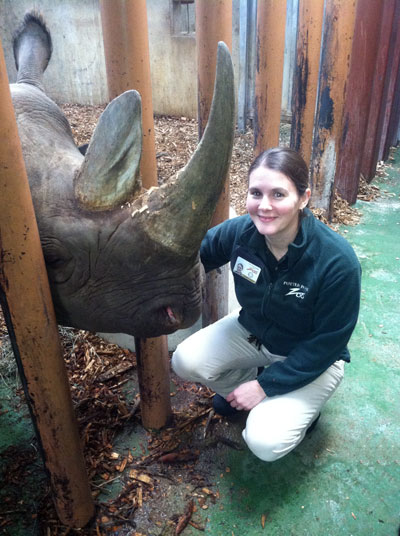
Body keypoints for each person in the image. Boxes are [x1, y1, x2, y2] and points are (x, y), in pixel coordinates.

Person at [172, 147, 361, 462]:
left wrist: (265, 385)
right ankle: (253, 395)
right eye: (255, 193)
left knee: (264, 442)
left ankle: (290, 404)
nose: (264, 206)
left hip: (312, 356)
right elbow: (197, 255)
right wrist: (164, 290)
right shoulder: (241, 233)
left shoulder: (337, 261)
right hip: (253, 331)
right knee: (185, 361)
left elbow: (327, 344)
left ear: (303, 199)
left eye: (278, 194)